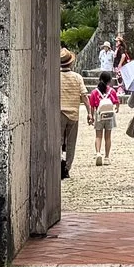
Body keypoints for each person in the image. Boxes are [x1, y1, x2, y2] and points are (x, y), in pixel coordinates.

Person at [57, 48, 85, 179]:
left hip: (59, 113)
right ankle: (67, 168)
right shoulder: (77, 77)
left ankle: (58, 166)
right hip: (73, 113)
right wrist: (90, 112)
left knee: (58, 141)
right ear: (71, 63)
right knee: (70, 143)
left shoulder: (55, 77)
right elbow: (84, 96)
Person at [87, 71, 123, 165]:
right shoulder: (112, 91)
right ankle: (107, 157)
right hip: (109, 115)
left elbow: (92, 106)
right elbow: (117, 102)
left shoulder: (94, 92)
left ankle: (98, 153)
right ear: (109, 81)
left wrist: (91, 117)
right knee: (108, 137)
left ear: (100, 79)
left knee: (98, 136)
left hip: (99, 115)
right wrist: (117, 108)